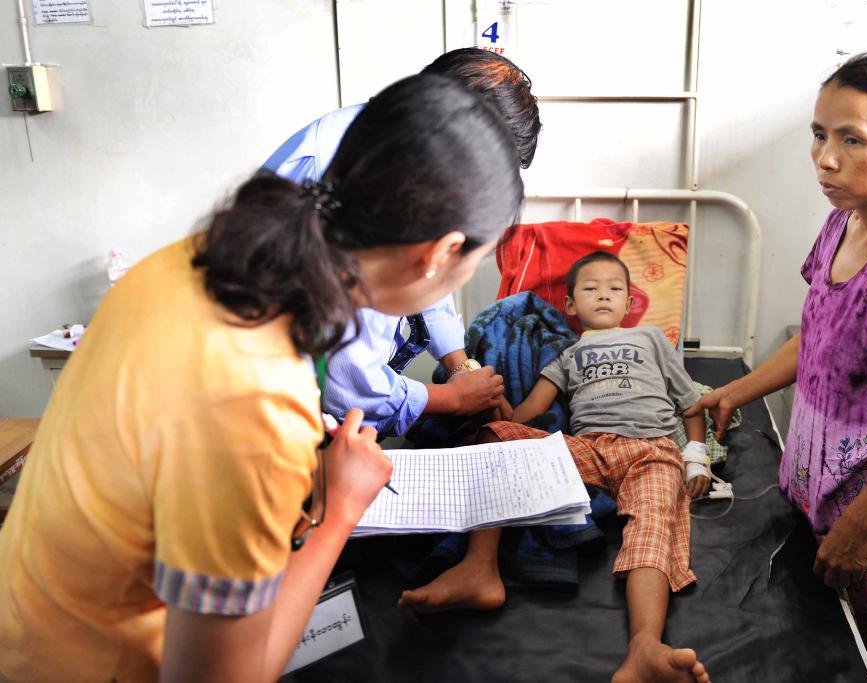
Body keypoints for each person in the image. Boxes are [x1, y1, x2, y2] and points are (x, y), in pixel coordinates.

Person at [0, 73, 524, 682]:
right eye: (476, 261)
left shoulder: (194, 261)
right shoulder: (255, 404)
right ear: (439, 253)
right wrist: (340, 509)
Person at [687, 51, 867, 682]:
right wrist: (734, 392)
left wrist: (860, 522)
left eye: (853, 139)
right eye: (820, 135)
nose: (826, 159)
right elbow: (816, 337)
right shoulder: (841, 221)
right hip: (815, 488)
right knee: (807, 647)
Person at [399, 251, 712, 683]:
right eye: (590, 288)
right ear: (569, 306)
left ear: (629, 301)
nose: (603, 294)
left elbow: (692, 403)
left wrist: (696, 454)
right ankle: (479, 568)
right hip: (588, 449)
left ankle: (645, 645)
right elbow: (527, 413)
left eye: (615, 288)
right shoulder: (567, 355)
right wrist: (493, 401)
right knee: (498, 440)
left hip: (650, 449)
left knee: (652, 523)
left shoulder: (651, 339)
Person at [264, 47, 543, 438]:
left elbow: (425, 275)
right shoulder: (364, 196)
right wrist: (453, 399)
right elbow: (349, 386)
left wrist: (460, 367)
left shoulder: (391, 146)